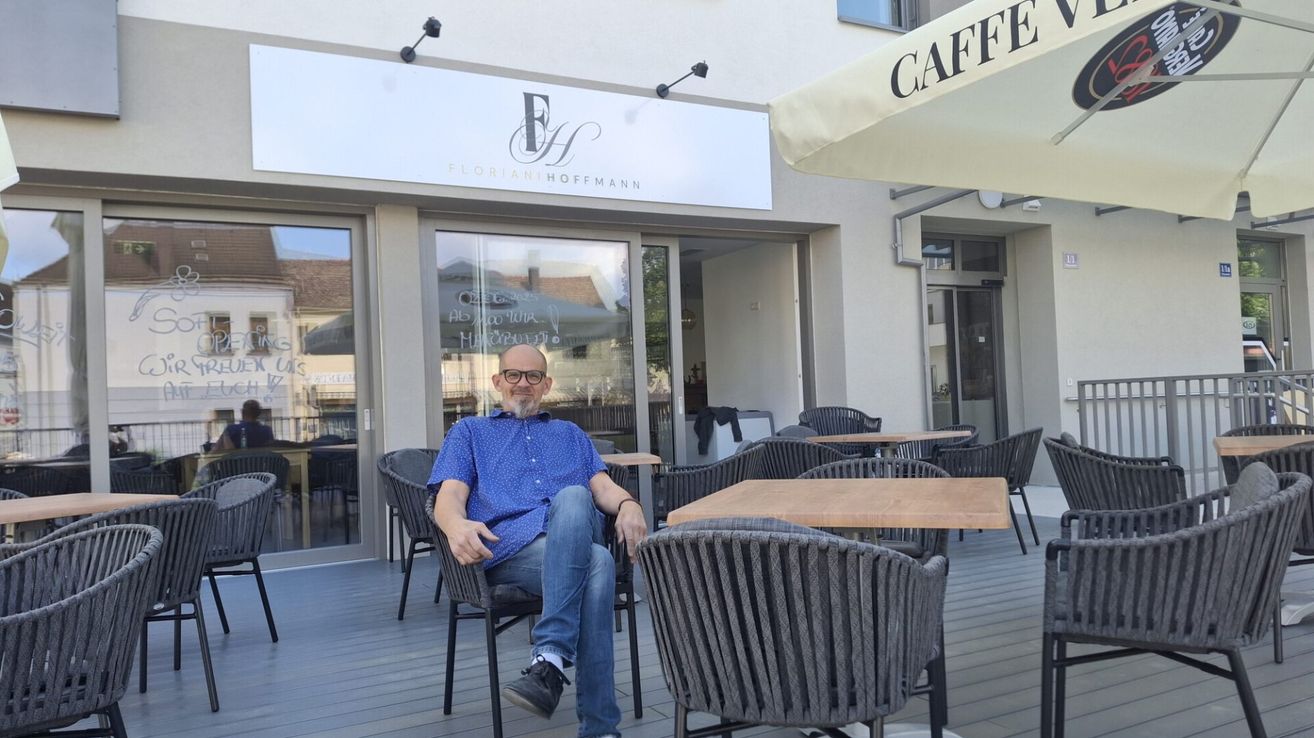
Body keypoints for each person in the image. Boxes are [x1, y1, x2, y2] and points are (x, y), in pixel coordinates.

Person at [429, 344, 646, 738]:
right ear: (498, 382)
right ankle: (599, 729)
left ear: (547, 385)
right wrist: (454, 526)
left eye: (533, 377)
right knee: (597, 565)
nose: (523, 384)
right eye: (513, 375)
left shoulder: (570, 434)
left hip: (572, 536)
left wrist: (630, 504)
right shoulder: (469, 432)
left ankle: (549, 660)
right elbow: (449, 497)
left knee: (575, 496)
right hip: (509, 549)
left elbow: (602, 486)